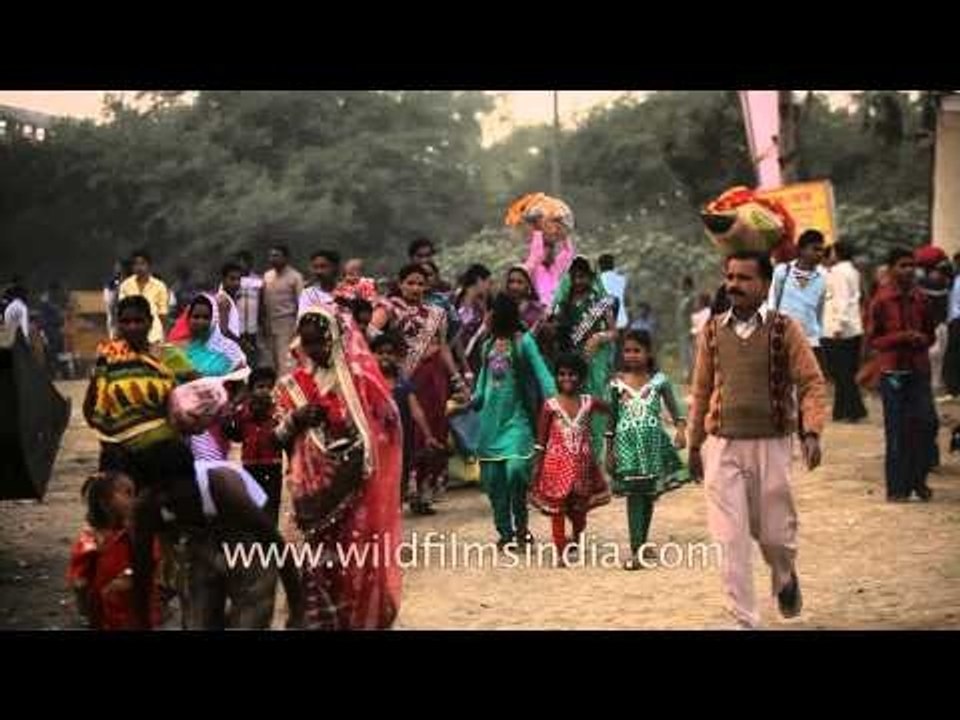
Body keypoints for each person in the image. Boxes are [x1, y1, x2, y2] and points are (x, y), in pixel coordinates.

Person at [688, 250, 826, 629]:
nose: (734, 285)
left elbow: (811, 382)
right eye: (730, 277)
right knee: (730, 540)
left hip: (773, 444)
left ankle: (784, 575)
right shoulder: (712, 330)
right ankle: (744, 620)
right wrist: (694, 444)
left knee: (776, 534)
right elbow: (700, 391)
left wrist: (811, 431)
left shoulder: (786, 329)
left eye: (744, 278)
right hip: (723, 445)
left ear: (765, 285)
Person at [273, 306, 402, 629]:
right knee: (313, 559)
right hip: (307, 489)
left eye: (320, 342)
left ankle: (359, 618)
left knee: (353, 556)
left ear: (334, 339)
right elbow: (277, 437)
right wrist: (297, 419)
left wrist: (353, 450)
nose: (314, 349)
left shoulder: (360, 380)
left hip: (351, 482)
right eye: (308, 342)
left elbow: (388, 425)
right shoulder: (293, 384)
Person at [82, 295, 200, 628]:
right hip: (119, 454)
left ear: (150, 322)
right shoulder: (107, 354)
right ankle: (127, 600)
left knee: (177, 525)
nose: (132, 326)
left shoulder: (168, 355)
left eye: (138, 320)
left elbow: (199, 392)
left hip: (165, 454)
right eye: (126, 321)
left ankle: (171, 590)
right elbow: (93, 406)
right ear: (118, 324)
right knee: (123, 530)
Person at [370, 264, 469, 514]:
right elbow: (370, 332)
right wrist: (389, 354)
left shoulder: (437, 312)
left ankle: (425, 490)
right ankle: (408, 485)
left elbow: (443, 346)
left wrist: (456, 377)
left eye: (420, 284)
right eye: (410, 283)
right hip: (405, 376)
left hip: (435, 376)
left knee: (434, 427)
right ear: (400, 284)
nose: (415, 288)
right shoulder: (389, 308)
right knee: (409, 428)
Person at [175, 458, 303, 630]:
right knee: (198, 615)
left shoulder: (224, 485)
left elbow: (276, 545)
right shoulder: (151, 502)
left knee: (251, 611)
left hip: (246, 530)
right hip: (200, 531)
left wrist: (297, 610)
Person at [472, 294, 557, 549]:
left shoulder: (524, 342)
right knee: (494, 483)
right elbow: (482, 385)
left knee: (516, 470)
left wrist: (557, 402)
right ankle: (506, 533)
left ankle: (521, 525)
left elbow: (543, 374)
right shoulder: (487, 346)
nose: (487, 318)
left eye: (491, 313)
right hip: (489, 425)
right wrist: (468, 401)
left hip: (517, 421)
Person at [608, 330, 691, 570]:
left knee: (647, 494)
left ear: (648, 353)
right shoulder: (616, 384)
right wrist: (609, 450)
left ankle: (642, 544)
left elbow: (676, 410)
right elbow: (611, 421)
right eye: (627, 351)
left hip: (653, 446)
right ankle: (637, 550)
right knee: (634, 495)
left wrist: (681, 430)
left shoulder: (659, 381)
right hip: (626, 448)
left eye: (637, 350)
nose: (632, 355)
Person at [867, 247, 938, 502]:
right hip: (893, 371)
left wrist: (921, 340)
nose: (909, 270)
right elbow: (874, 339)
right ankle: (898, 488)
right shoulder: (881, 300)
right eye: (903, 265)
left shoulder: (922, 299)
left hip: (918, 369)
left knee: (926, 425)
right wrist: (902, 337)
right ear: (891, 269)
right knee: (897, 431)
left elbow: (930, 334)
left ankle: (918, 480)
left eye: (911, 265)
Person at [529, 353, 610, 561]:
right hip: (555, 465)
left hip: (582, 465)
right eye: (562, 374)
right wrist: (537, 466)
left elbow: (612, 410)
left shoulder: (588, 402)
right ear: (556, 377)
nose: (567, 378)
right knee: (557, 509)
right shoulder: (550, 406)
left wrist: (612, 433)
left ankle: (577, 535)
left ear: (581, 378)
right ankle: (560, 550)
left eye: (572, 374)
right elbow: (541, 438)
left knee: (579, 509)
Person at [67, 471, 163, 629]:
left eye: (134, 493)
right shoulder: (91, 539)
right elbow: (79, 580)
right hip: (107, 614)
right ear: (104, 502)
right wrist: (86, 607)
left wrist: (131, 574)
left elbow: (153, 559)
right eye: (127, 493)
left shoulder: (139, 533)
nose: (134, 499)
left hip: (140, 608)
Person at [552, 256, 618, 464]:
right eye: (575, 276)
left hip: (595, 358)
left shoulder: (601, 301)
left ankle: (594, 458)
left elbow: (614, 332)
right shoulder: (564, 303)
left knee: (594, 401)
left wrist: (599, 337)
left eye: (583, 276)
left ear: (592, 277)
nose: (579, 281)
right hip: (572, 359)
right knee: (573, 403)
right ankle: (575, 456)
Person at [169, 294, 249, 461]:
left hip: (215, 423)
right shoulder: (175, 350)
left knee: (212, 471)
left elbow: (242, 387)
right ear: (188, 319)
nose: (200, 322)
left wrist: (231, 406)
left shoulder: (228, 350)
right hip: (183, 422)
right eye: (196, 317)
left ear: (214, 320)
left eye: (206, 317)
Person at [371, 332, 445, 502]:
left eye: (389, 353)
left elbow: (416, 410)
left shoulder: (403, 383)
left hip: (401, 440)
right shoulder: (369, 382)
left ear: (397, 357)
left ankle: (395, 509)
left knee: (400, 476)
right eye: (380, 352)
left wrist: (428, 436)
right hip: (377, 442)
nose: (385, 357)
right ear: (371, 355)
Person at [224, 367, 283, 525]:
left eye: (270, 387)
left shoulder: (278, 411)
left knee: (272, 504)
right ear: (251, 390)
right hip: (250, 466)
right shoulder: (243, 413)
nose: (265, 391)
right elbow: (236, 436)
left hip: (274, 465)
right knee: (255, 504)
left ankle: (271, 539)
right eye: (260, 387)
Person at [769, 230, 827, 372]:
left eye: (821, 250)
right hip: (784, 337)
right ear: (801, 250)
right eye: (815, 249)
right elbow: (772, 301)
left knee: (806, 380)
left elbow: (820, 310)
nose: (820, 254)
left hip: (810, 340)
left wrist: (819, 336)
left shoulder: (823, 277)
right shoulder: (782, 272)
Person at [822, 242, 868, 422]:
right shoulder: (853, 271)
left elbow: (841, 300)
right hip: (853, 327)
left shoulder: (838, 272)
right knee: (846, 371)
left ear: (838, 253)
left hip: (839, 329)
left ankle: (854, 409)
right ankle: (841, 410)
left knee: (842, 373)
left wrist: (838, 326)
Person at [262, 244, 305, 373]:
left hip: (288, 324)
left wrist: (299, 327)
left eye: (276, 256)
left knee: (285, 361)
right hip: (270, 324)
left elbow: (301, 303)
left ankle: (285, 390)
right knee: (272, 360)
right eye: (271, 256)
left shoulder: (295, 277)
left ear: (286, 258)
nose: (272, 259)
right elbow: (263, 301)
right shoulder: (267, 276)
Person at [118, 250, 170, 345]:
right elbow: (121, 311)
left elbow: (163, 313)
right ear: (132, 267)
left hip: (154, 334)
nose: (139, 267)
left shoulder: (159, 286)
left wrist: (165, 335)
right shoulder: (125, 285)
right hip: (132, 332)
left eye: (142, 263)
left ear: (149, 266)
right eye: (136, 264)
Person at [453, 264, 493, 378]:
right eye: (488, 283)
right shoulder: (452, 301)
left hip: (473, 363)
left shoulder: (482, 309)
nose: (489, 288)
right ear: (479, 280)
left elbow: (482, 339)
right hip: (453, 362)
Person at [525, 226, 574, 308]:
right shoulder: (534, 267)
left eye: (552, 248)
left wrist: (564, 235)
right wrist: (538, 231)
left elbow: (568, 251)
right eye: (546, 248)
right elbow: (536, 253)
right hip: (537, 309)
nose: (550, 251)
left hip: (554, 309)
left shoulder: (556, 266)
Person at [234, 250, 264, 368]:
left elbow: (262, 300)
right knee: (238, 348)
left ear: (250, 263)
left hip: (253, 323)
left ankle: (253, 370)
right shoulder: (232, 280)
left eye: (244, 262)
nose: (242, 265)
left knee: (253, 348)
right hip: (237, 324)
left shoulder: (258, 280)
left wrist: (262, 319)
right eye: (239, 262)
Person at [298, 249, 340, 318]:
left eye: (323, 266)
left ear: (335, 267)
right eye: (315, 267)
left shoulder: (347, 292)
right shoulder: (308, 294)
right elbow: (304, 318)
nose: (319, 271)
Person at [599, 254, 629, 330]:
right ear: (612, 265)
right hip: (622, 322)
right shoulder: (622, 279)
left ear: (600, 266)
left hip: (605, 325)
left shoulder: (597, 281)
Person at [216, 262, 243, 344]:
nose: (236, 283)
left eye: (238, 279)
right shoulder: (224, 300)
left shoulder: (228, 298)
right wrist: (240, 342)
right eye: (232, 279)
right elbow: (223, 332)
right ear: (223, 279)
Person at [103, 260, 127, 340]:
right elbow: (113, 288)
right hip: (111, 294)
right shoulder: (114, 279)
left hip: (120, 300)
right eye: (117, 267)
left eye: (120, 267)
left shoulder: (126, 278)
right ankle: (113, 336)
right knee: (112, 315)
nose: (119, 269)